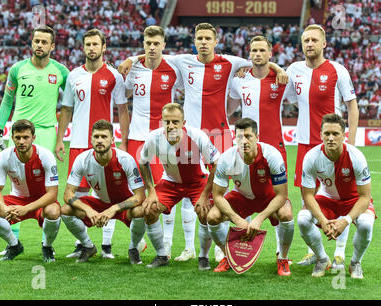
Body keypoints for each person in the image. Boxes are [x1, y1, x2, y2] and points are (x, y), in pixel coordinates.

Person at [119, 22, 288, 263]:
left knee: (228, 190)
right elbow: (155, 52)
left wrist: (276, 66)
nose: (204, 42)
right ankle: (182, 247)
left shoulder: (229, 63)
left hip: (219, 134)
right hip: (188, 136)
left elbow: (257, 61)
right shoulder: (183, 60)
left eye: (208, 38)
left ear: (215, 41)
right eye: (200, 38)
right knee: (183, 185)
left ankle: (229, 246)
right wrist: (131, 59)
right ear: (194, 41)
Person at [286, 24, 359, 268]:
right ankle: (314, 253)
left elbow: (352, 106)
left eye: (314, 40)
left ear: (324, 43)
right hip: (306, 144)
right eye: (305, 40)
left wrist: (353, 143)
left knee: (340, 196)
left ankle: (339, 252)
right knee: (308, 199)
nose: (309, 44)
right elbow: (284, 90)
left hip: (333, 147)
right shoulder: (294, 69)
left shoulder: (338, 70)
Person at [55, 28, 131, 260]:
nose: (91, 48)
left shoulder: (114, 76)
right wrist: (60, 140)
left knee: (108, 194)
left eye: (95, 44)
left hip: (105, 144)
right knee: (77, 194)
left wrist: (124, 142)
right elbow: (66, 108)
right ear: (83, 47)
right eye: (87, 44)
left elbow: (122, 110)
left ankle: (107, 245)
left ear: (103, 47)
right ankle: (83, 243)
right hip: (78, 142)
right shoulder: (73, 76)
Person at [0, 25, 68, 251]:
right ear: (31, 43)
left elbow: (70, 104)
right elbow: (7, 101)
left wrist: (61, 137)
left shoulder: (61, 72)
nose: (40, 45)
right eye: (37, 41)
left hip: (45, 132)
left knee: (44, 190)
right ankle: (13, 242)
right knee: (16, 187)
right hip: (19, 133)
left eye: (45, 42)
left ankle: (46, 243)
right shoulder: (17, 69)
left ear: (52, 46)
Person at [124, 25, 191, 261]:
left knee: (163, 193)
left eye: (156, 44)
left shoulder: (174, 68)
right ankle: (138, 243)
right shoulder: (133, 69)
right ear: (143, 44)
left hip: (165, 141)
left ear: (164, 45)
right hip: (136, 138)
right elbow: (125, 95)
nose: (152, 48)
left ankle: (167, 245)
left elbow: (190, 87)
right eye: (148, 43)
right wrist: (132, 60)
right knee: (136, 194)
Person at [227, 35, 296, 261]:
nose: (257, 54)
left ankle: (281, 255)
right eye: (253, 51)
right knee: (243, 194)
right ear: (249, 54)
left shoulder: (281, 80)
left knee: (280, 201)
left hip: (275, 148)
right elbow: (230, 106)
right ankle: (241, 250)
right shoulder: (239, 80)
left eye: (262, 51)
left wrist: (278, 69)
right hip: (246, 149)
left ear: (270, 54)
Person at [133, 103, 220, 269]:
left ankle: (203, 256)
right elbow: (143, 162)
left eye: (175, 121)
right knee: (149, 209)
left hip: (197, 181)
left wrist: (204, 195)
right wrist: (151, 191)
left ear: (183, 122)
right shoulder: (154, 137)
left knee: (205, 213)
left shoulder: (197, 136)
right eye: (167, 121)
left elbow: (215, 164)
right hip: (171, 182)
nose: (171, 125)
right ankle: (161, 255)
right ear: (162, 122)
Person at [207, 118, 293, 276]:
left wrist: (259, 218)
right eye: (239, 137)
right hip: (242, 197)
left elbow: (282, 195)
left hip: (269, 198)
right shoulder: (227, 158)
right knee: (212, 216)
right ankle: (228, 256)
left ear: (257, 137)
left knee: (286, 214)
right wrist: (236, 218)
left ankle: (283, 258)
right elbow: (217, 196)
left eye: (248, 136)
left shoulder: (272, 155)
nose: (244, 141)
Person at [298, 114, 375, 279]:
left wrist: (346, 220)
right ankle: (321, 258)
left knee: (367, 224)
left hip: (353, 200)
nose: (330, 138)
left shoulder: (356, 157)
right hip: (327, 199)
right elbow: (308, 195)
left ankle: (355, 263)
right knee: (302, 219)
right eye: (327, 134)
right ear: (320, 135)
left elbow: (365, 197)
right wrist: (323, 220)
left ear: (344, 135)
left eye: (335, 134)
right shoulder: (311, 157)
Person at [60, 120, 145, 263]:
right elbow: (68, 194)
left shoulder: (125, 159)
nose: (100, 140)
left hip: (122, 205)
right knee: (65, 210)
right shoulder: (82, 159)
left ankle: (133, 248)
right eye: (96, 136)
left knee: (140, 211)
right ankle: (88, 246)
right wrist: (89, 210)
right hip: (98, 203)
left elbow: (140, 195)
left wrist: (114, 208)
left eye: (104, 137)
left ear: (112, 140)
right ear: (91, 139)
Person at [0, 119, 61, 262]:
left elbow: (52, 194)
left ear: (33, 138)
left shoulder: (46, 156)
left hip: (41, 200)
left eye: (26, 137)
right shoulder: (5, 156)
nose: (21, 141)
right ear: (12, 138)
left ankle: (47, 247)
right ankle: (14, 245)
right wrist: (5, 208)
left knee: (53, 211)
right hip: (16, 199)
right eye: (17, 138)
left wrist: (26, 208)